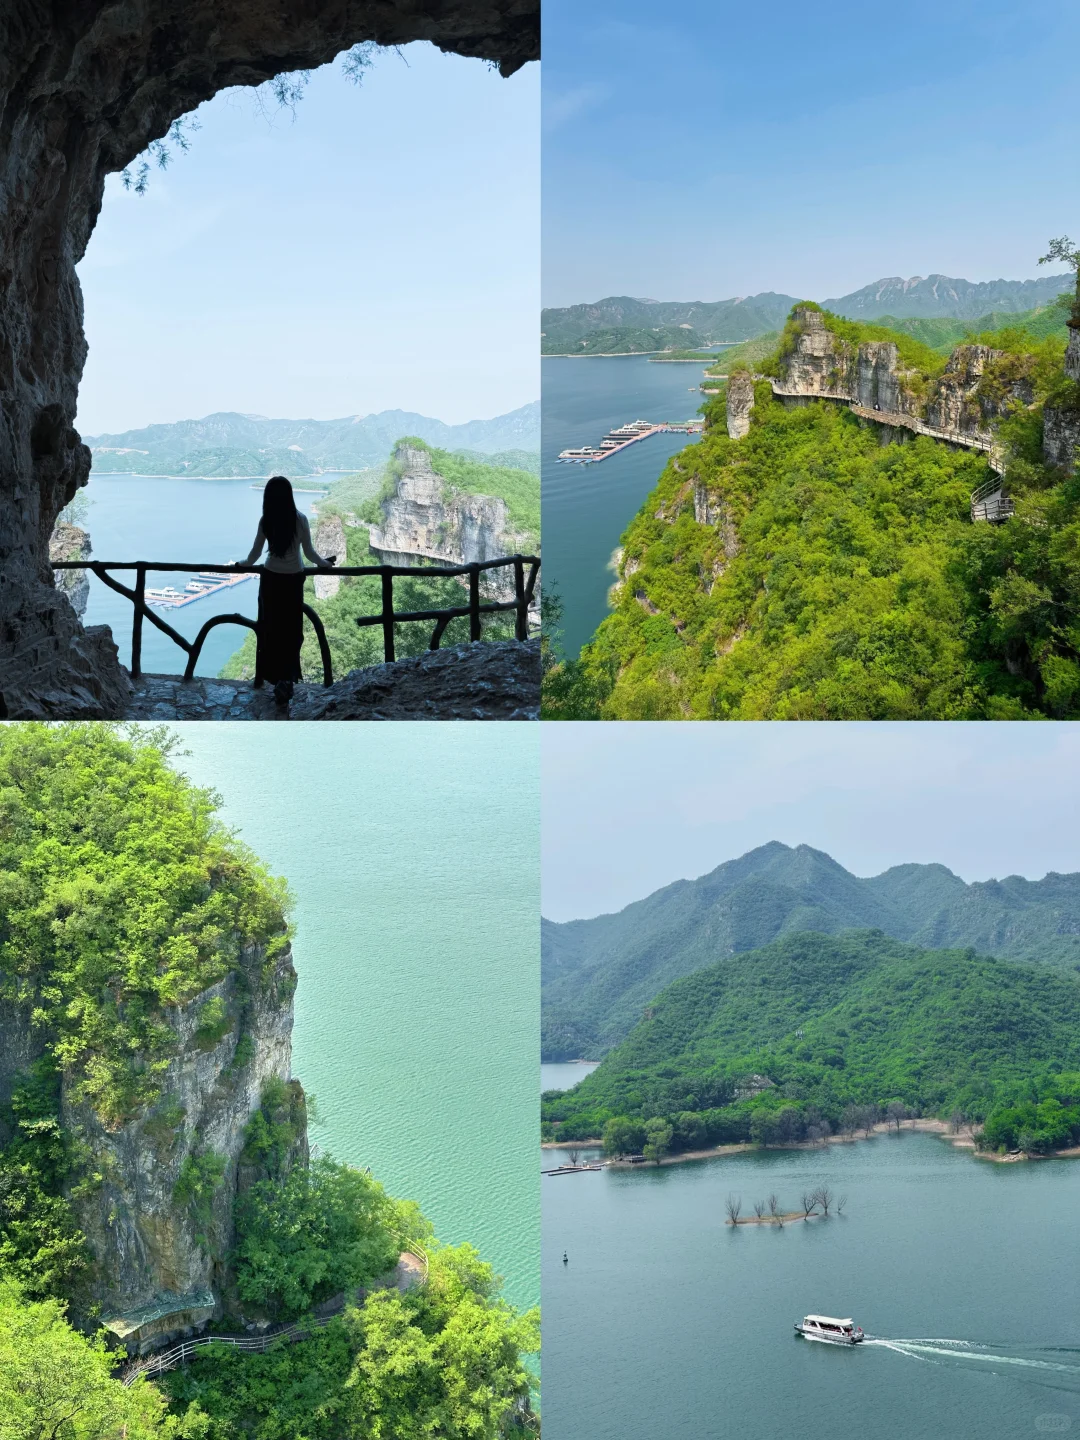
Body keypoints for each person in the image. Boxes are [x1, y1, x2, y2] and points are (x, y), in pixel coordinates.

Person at [241, 476, 336, 705]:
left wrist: (241, 565)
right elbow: (310, 554)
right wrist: (325, 564)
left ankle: (272, 677)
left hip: (271, 580)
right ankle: (287, 678)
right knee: (292, 631)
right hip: (293, 581)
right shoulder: (300, 519)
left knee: (270, 629)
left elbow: (254, 555)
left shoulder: (267, 520)